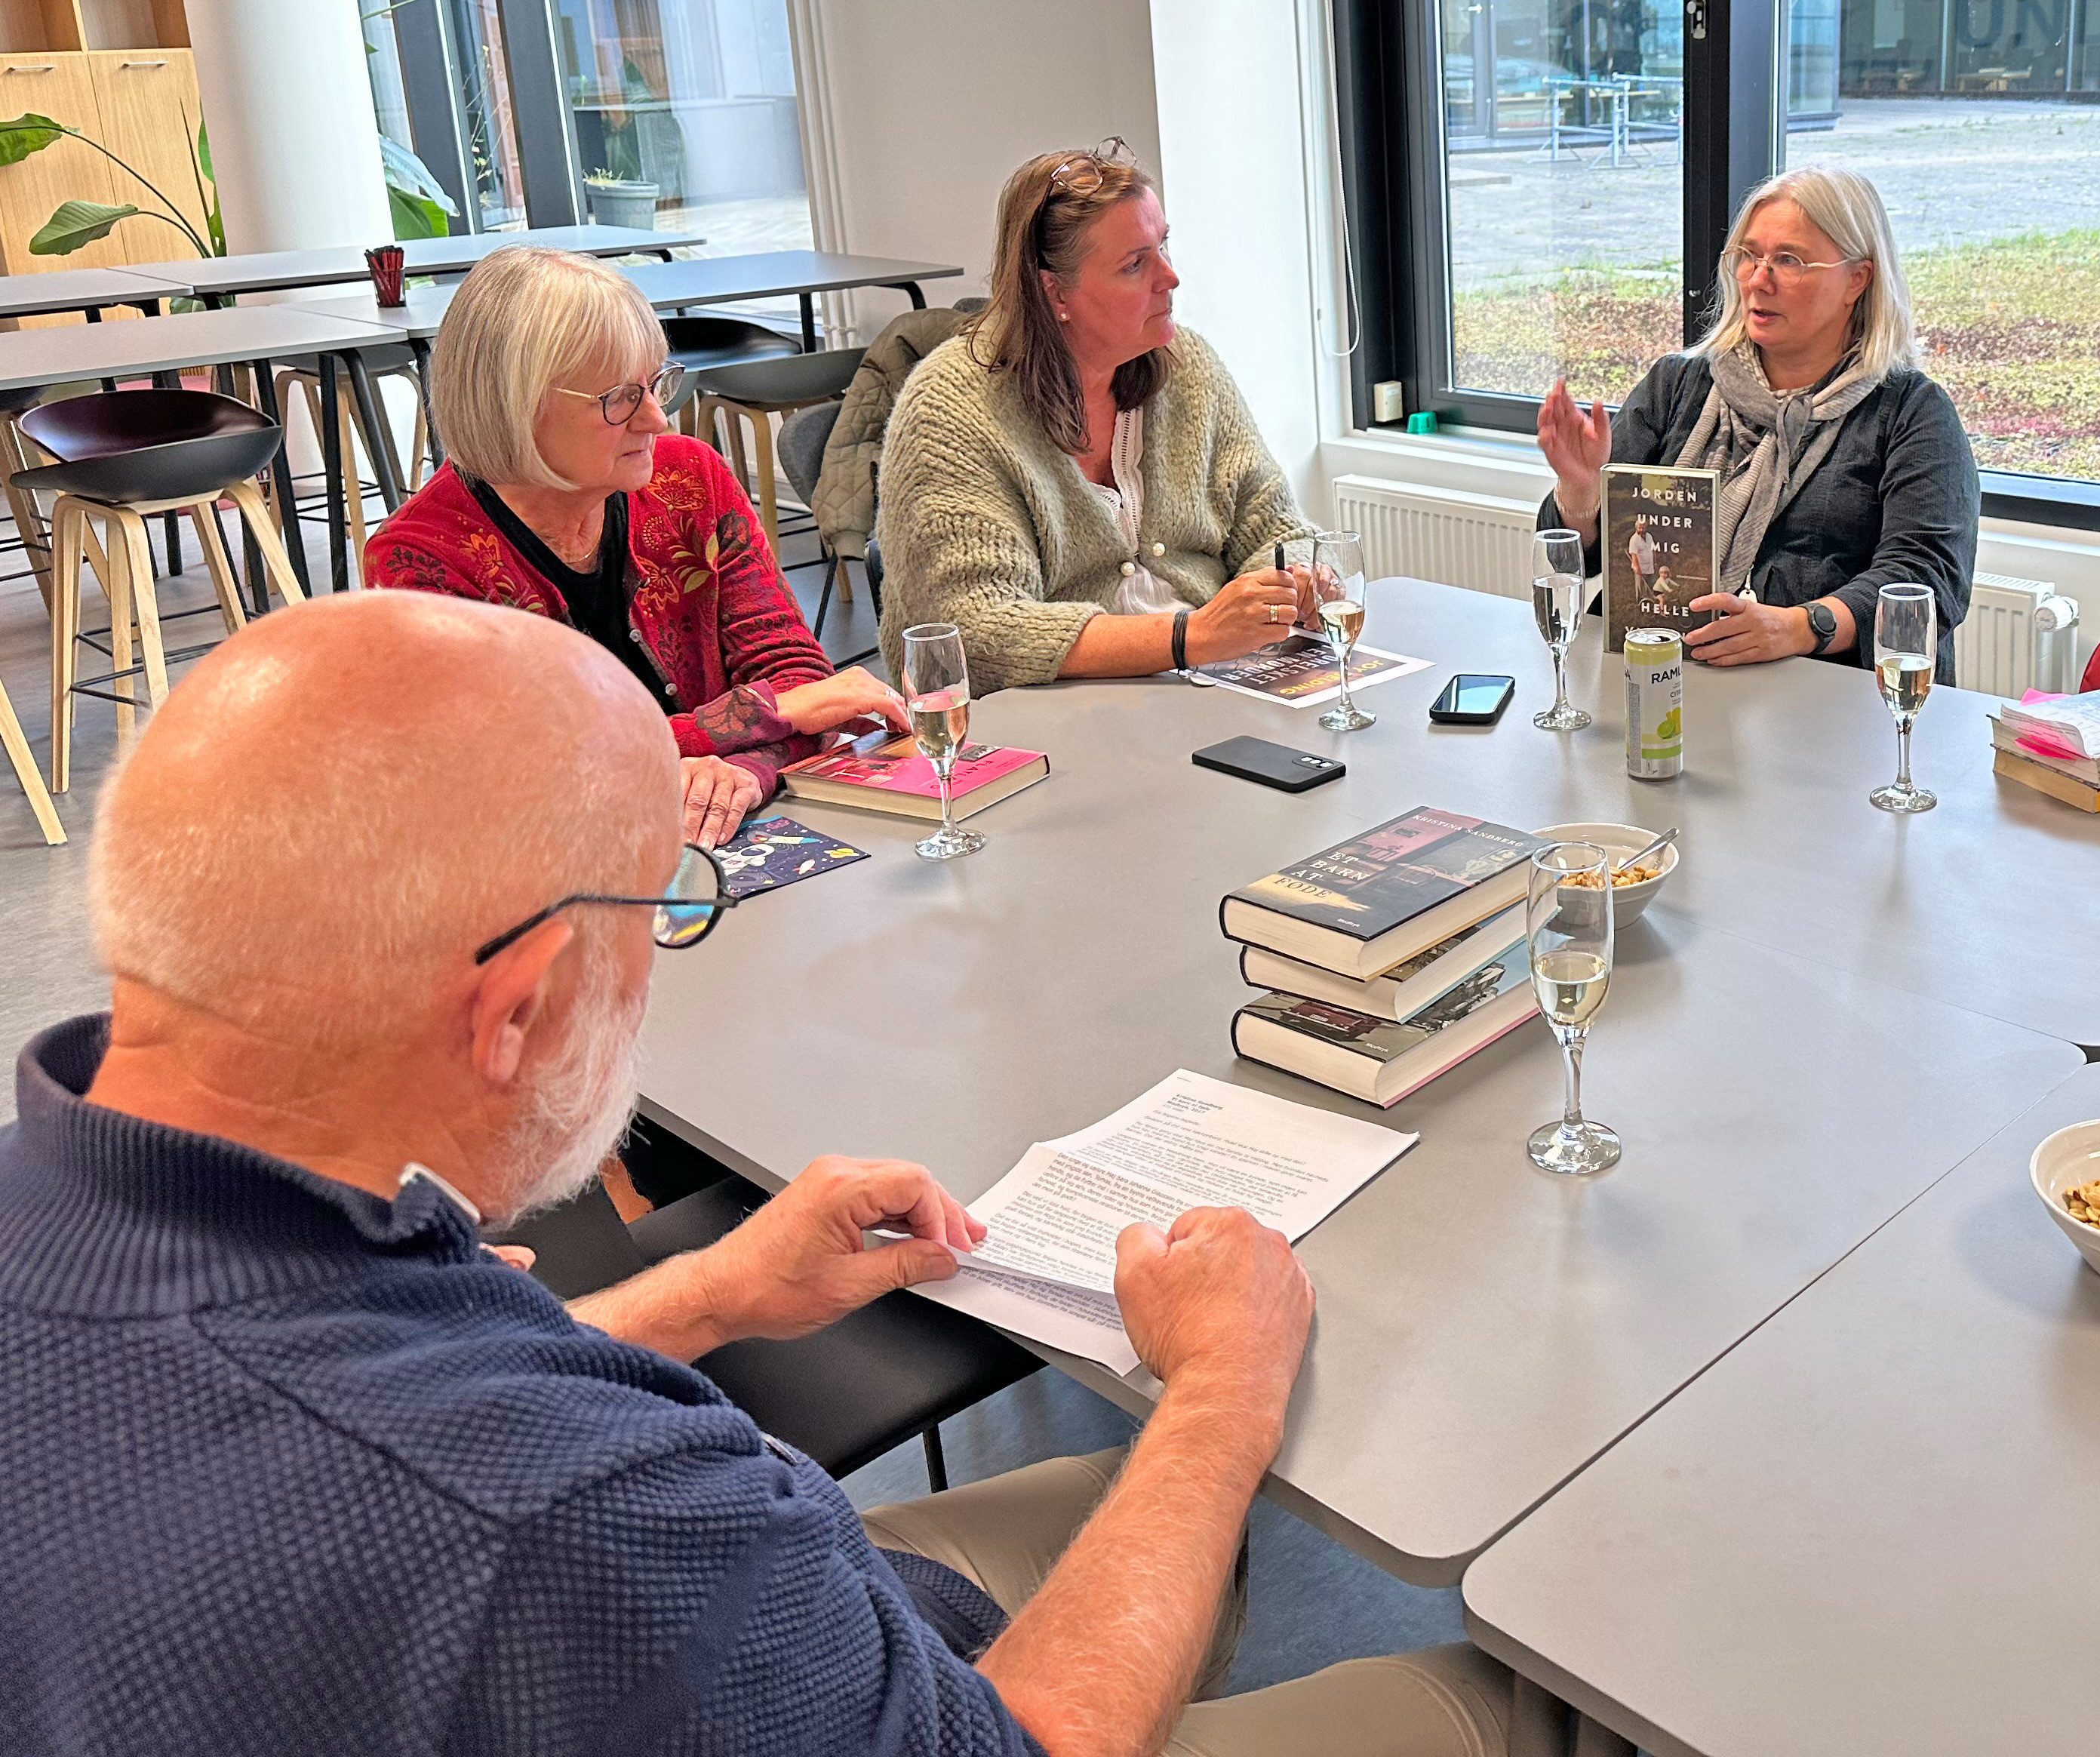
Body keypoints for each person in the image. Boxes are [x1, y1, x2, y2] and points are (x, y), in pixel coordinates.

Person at [0, 590, 1512, 1752]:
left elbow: (346, 1411)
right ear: (514, 1010)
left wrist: (710, 1290)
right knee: (1511, 1697)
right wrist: (1227, 1385)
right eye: (660, 907)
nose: (662, 956)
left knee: (1141, 1515)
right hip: (771, 1659)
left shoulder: (87, 1206)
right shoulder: (576, 1510)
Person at [362, 246, 905, 848]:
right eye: (620, 398)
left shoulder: (689, 478)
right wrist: (757, 717)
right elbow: (519, 777)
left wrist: (742, 774)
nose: (657, 420)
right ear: (516, 407)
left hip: (720, 839)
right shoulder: (422, 560)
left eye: (656, 384)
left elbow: (799, 680)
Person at [878, 140, 1318, 691]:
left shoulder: (1188, 366)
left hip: (1209, 688)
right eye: (1135, 264)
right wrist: (1191, 636)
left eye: (1163, 246)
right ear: (1054, 292)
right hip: (1046, 711)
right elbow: (975, 631)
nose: (1170, 277)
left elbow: (1277, 530)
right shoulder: (951, 410)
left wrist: (1296, 581)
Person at [1535, 165, 1980, 681]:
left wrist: (1800, 627)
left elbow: (1925, 580)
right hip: (1658, 674)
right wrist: (1582, 493)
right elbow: (1575, 563)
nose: (1758, 280)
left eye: (1789, 260)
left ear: (1857, 279)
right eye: (1748, 255)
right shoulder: (1677, 385)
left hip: (1824, 694)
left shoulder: (1911, 412)